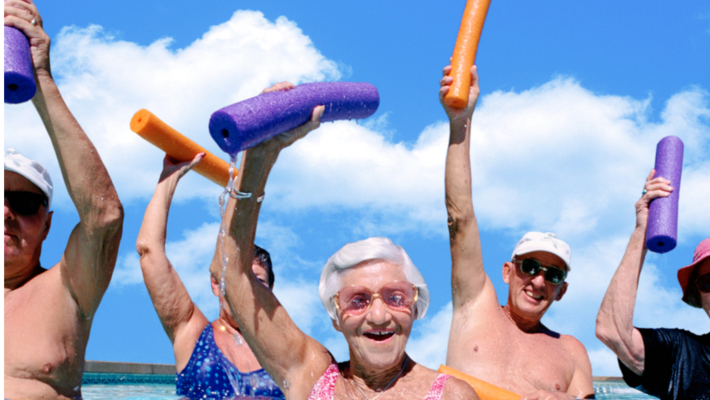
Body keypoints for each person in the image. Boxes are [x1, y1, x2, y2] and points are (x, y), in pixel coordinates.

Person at [212, 82, 479, 400]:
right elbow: (232, 272)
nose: (378, 316)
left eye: (395, 297)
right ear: (335, 314)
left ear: (416, 305)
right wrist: (260, 155)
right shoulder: (309, 375)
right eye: (358, 300)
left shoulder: (451, 396)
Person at [439, 65, 595, 400]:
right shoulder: (474, 306)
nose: (539, 281)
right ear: (508, 272)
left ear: (561, 291)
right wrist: (460, 122)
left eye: (552, 275)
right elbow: (460, 218)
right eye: (529, 267)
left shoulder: (570, 351)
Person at [3, 1, 125, 398]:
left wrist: (40, 77)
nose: (6, 213)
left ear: (47, 224)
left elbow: (104, 216)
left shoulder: (67, 288)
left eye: (22, 204)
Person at [137, 154, 285, 399]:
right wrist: (168, 181)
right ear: (216, 284)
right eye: (238, 278)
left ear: (270, 292)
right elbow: (149, 252)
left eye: (258, 282)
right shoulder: (193, 334)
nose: (247, 290)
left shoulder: (287, 350)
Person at [596, 172, 709, 400]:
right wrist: (642, 233)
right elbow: (612, 331)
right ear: (699, 294)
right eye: (708, 282)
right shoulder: (683, 354)